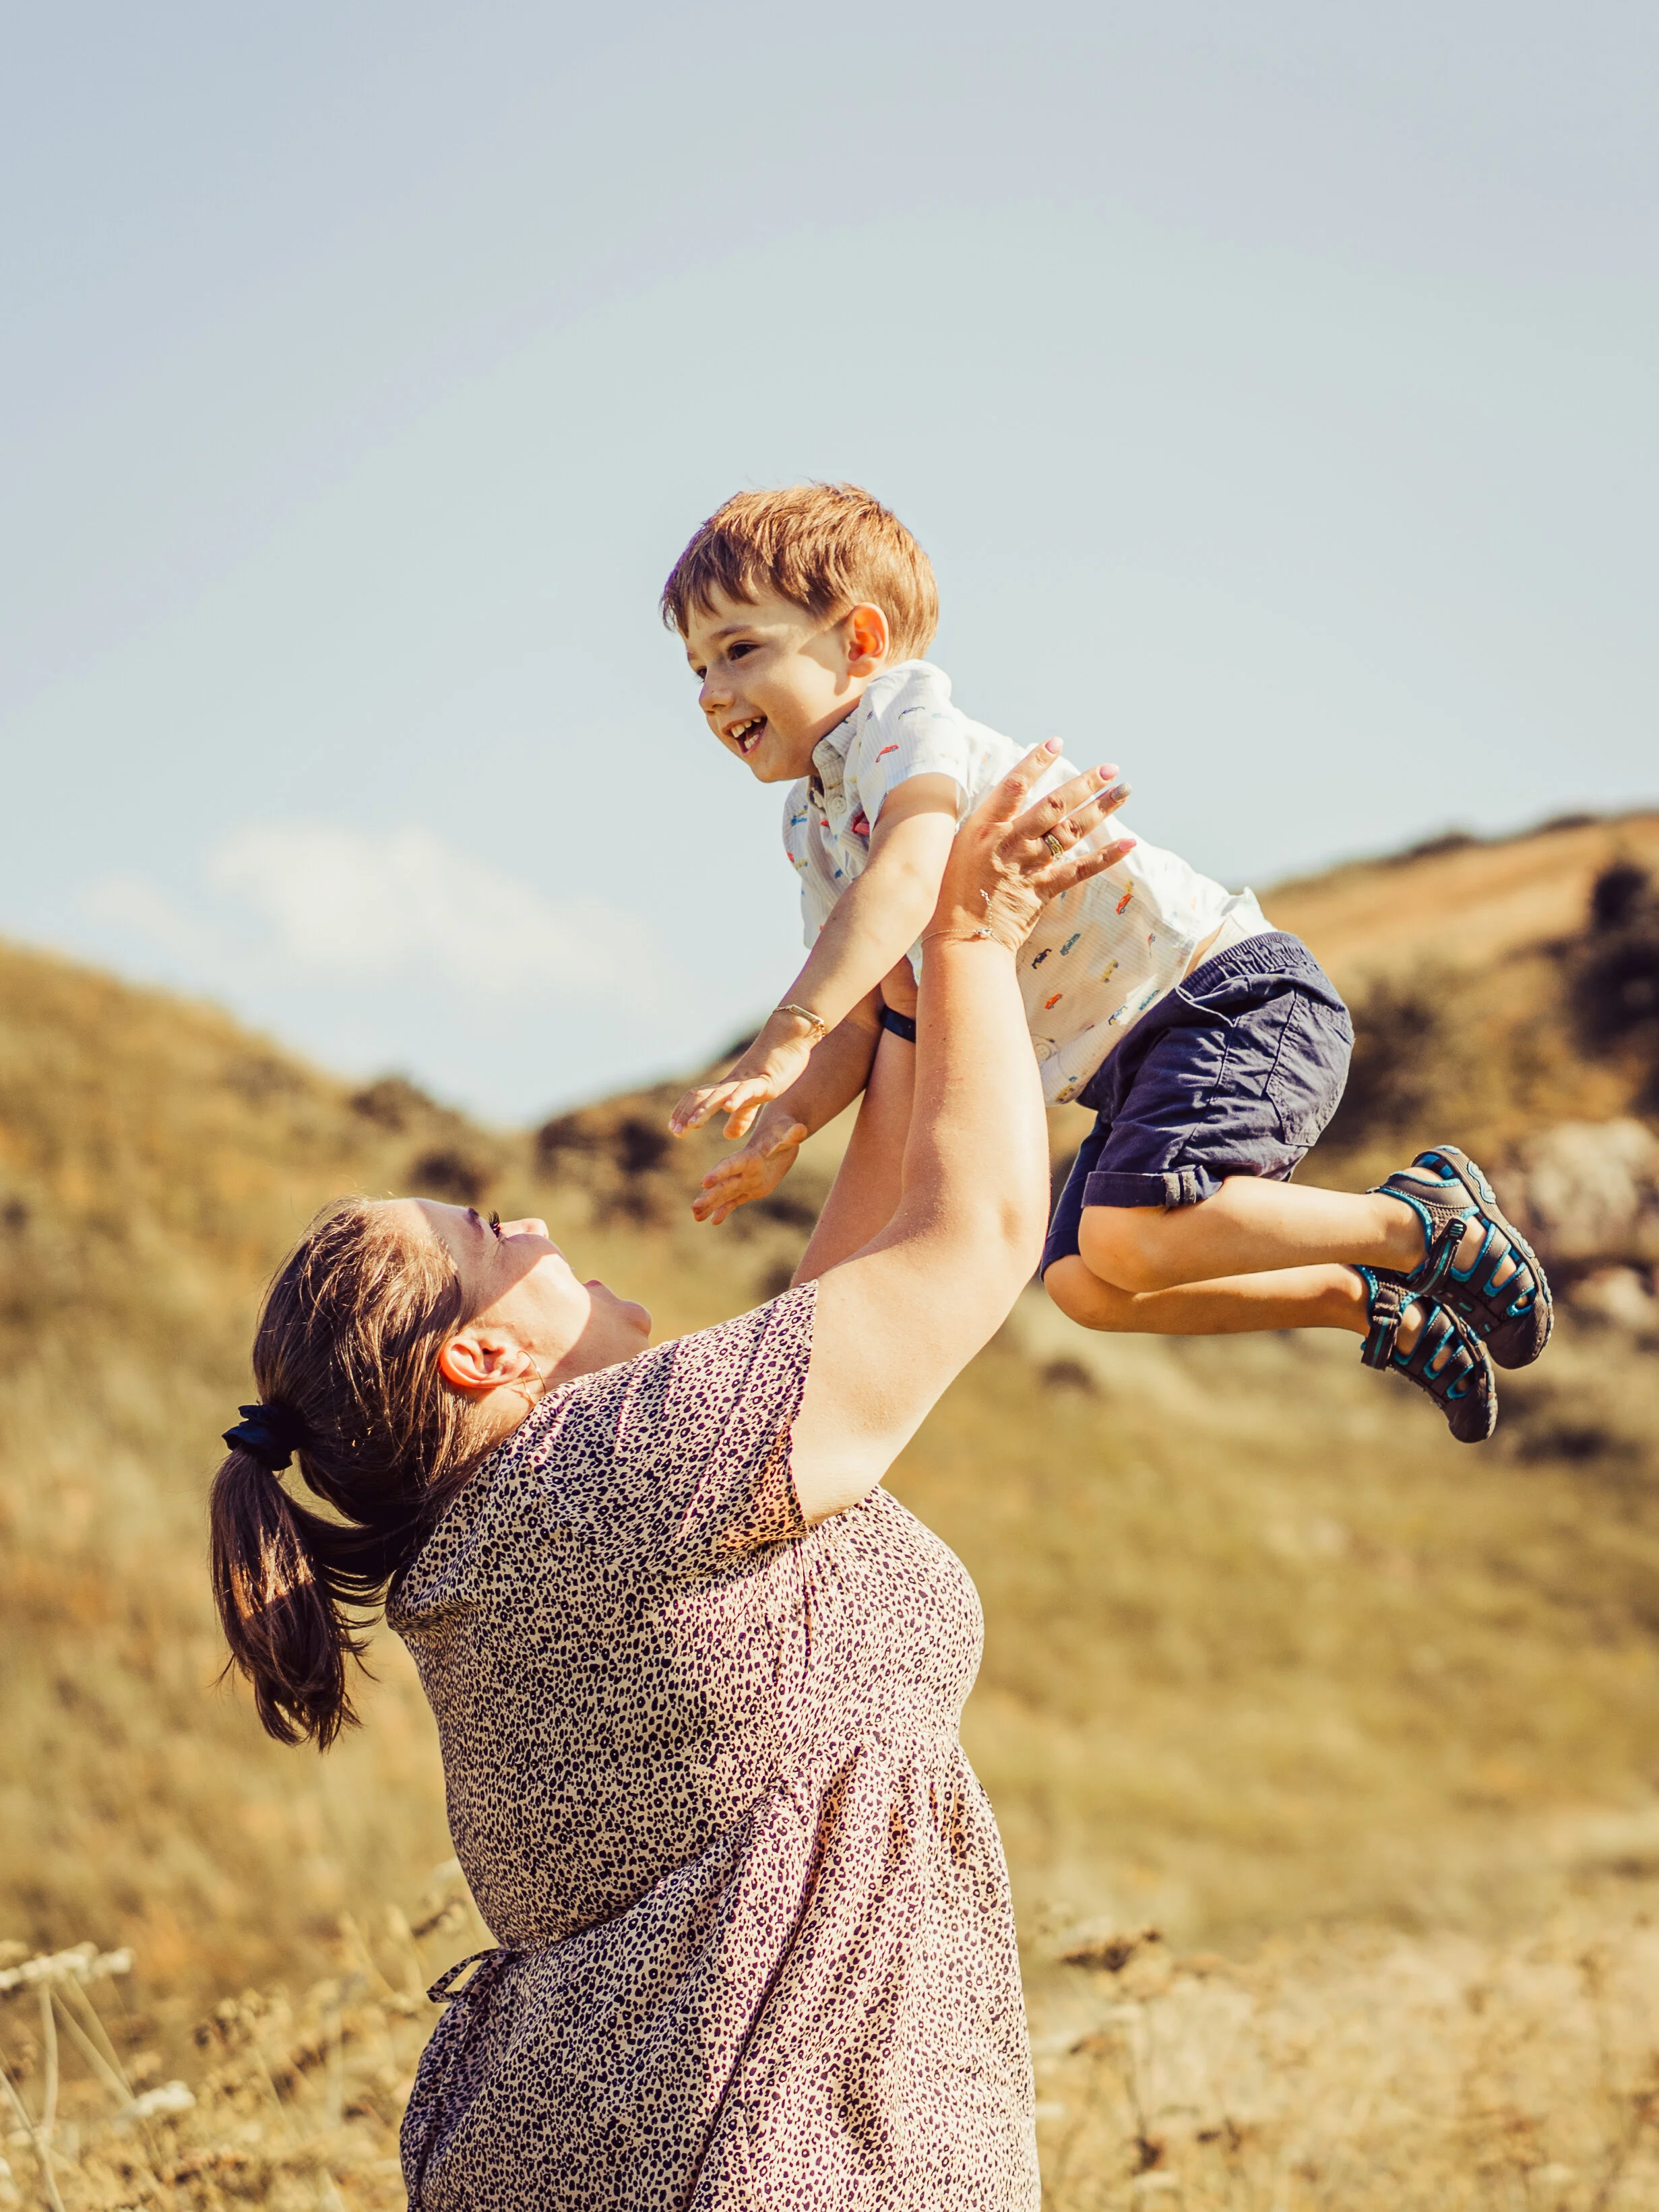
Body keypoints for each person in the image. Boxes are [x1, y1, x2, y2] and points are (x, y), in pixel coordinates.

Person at [210, 747, 1131, 2211]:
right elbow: (972, 1238)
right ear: (477, 1363)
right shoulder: (603, 1484)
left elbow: (864, 1263)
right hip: (765, 2166)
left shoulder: (521, 1538)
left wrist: (897, 991)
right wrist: (974, 930)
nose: (524, 1221)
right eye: (482, 1234)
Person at [659, 482, 1553, 1441]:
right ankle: (1365, 1303)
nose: (712, 692)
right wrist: (789, 1118)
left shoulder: (902, 721)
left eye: (740, 649)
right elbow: (876, 1006)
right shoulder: (811, 822)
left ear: (861, 643)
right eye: (697, 666)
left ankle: (1419, 1221)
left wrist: (784, 1033)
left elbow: (914, 876)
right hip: (1133, 1067)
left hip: (1222, 997)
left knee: (1128, 1234)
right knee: (1090, 1284)